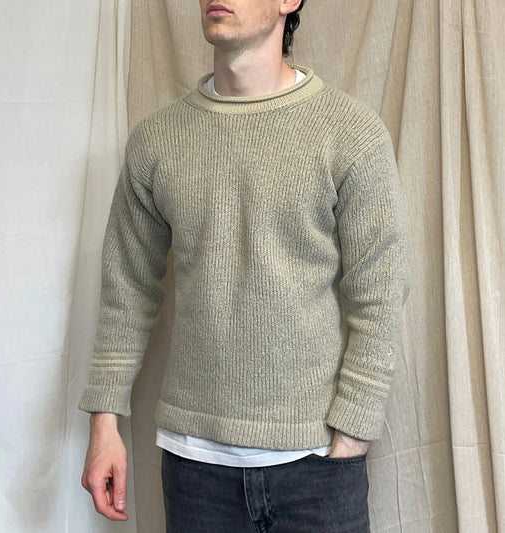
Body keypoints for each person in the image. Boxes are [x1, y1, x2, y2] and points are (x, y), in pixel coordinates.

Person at [78, 0, 410, 531]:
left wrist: (354, 431)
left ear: (289, 1)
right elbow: (127, 288)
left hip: (317, 465)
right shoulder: (156, 140)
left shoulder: (351, 133)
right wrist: (104, 421)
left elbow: (380, 292)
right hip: (194, 471)